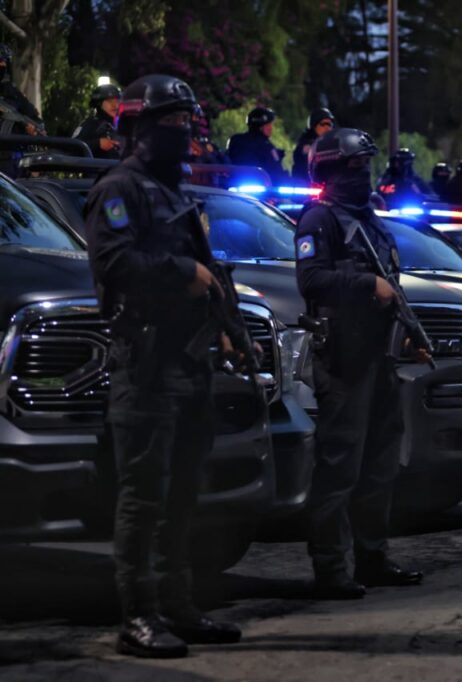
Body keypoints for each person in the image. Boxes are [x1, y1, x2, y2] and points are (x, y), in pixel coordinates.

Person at [83, 74, 242, 658]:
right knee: (144, 495)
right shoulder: (120, 188)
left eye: (186, 120)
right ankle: (138, 617)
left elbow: (206, 272)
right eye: (172, 121)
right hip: (145, 364)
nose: (183, 131)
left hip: (187, 362)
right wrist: (185, 275)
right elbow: (114, 262)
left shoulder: (177, 194)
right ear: (142, 126)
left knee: (183, 497)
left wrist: (225, 325)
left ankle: (178, 605)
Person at [295, 127, 425, 598]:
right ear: (330, 170)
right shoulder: (318, 219)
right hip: (344, 360)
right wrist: (366, 286)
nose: (362, 174)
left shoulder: (371, 220)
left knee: (380, 464)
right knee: (339, 466)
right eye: (353, 167)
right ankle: (331, 568)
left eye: (365, 166)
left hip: (379, 355)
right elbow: (312, 281)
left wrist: (409, 335)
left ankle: (373, 557)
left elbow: (394, 285)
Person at [227, 106, 287, 182]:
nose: (271, 128)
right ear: (260, 127)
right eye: (268, 125)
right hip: (261, 188)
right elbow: (277, 174)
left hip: (235, 185)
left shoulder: (235, 140)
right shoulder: (267, 146)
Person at [0, 43, 42, 136]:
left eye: (3, 62)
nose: (2, 65)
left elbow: (36, 121)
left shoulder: (13, 93)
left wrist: (31, 132)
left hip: (10, 147)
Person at [73, 83, 122, 159]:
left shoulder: (124, 124)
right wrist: (98, 144)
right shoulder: (91, 124)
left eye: (117, 101)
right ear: (99, 103)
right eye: (110, 101)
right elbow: (73, 147)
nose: (115, 105)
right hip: (99, 169)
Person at [292, 107, 335, 183]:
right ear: (314, 126)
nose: (327, 127)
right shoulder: (306, 143)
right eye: (323, 124)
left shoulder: (333, 145)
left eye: (330, 124)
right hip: (306, 188)